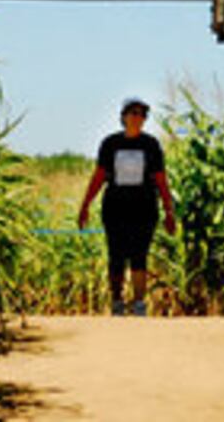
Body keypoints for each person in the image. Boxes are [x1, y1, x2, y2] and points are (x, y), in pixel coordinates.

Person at [77, 98, 177, 316]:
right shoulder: (110, 144)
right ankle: (117, 302)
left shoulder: (151, 145)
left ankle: (139, 303)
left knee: (140, 255)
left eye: (141, 114)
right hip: (115, 207)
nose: (137, 118)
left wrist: (169, 211)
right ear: (123, 117)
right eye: (133, 113)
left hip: (144, 208)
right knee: (116, 255)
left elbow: (161, 180)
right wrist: (85, 205)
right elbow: (99, 177)